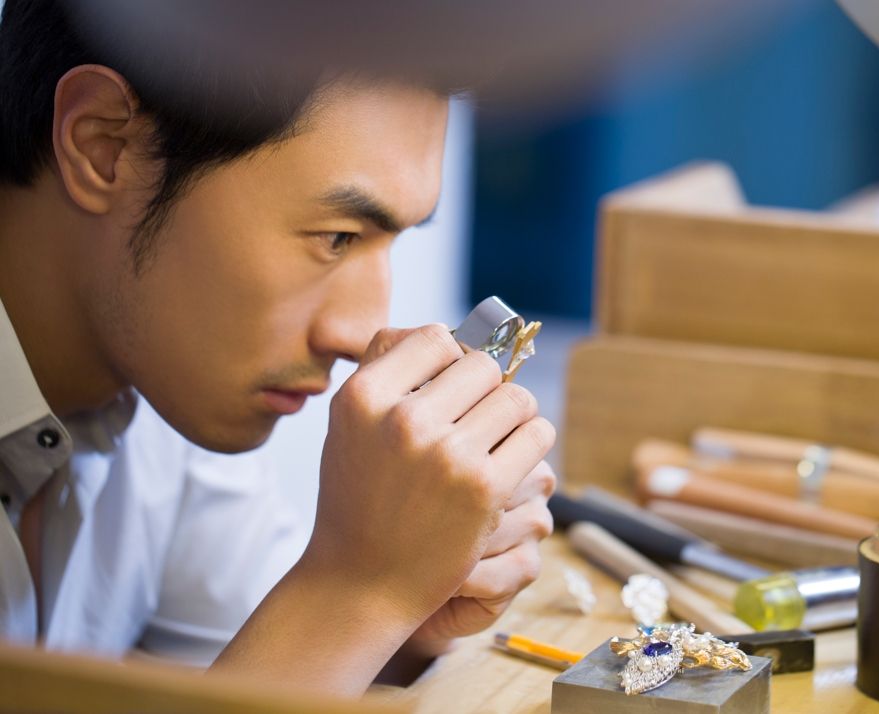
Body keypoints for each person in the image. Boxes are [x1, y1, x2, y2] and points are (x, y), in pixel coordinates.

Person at [0, 0, 556, 696]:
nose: (360, 334)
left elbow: (242, 674)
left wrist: (405, 615)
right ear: (104, 145)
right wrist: (358, 587)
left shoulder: (166, 399)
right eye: (337, 237)